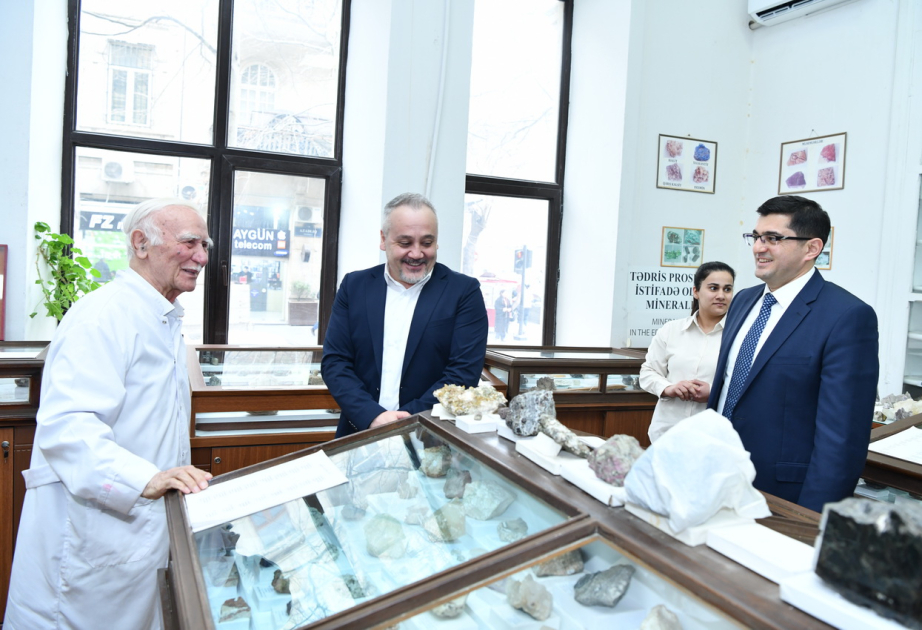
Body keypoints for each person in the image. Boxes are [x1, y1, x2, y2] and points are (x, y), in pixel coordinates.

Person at [5, 198, 214, 629]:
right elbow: (68, 427)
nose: (201, 257)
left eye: (205, 246)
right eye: (190, 242)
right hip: (95, 533)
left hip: (141, 529)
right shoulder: (102, 316)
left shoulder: (161, 317)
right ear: (141, 243)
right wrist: (145, 479)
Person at [707, 195, 878, 513]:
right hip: (715, 475)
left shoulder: (846, 316)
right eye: (756, 237)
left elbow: (842, 438)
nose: (758, 248)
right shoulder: (743, 301)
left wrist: (811, 520)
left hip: (782, 494)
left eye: (773, 238)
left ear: (811, 248)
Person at [322, 192, 489, 438]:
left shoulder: (464, 292)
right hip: (359, 432)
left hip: (431, 437)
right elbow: (335, 362)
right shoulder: (354, 286)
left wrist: (407, 420)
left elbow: (463, 373)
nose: (417, 253)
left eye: (427, 243)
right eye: (405, 243)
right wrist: (372, 416)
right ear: (383, 239)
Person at [640, 261, 735, 443]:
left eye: (727, 289)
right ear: (696, 291)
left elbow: (747, 385)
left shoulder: (739, 335)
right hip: (667, 433)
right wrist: (669, 388)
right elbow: (648, 372)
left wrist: (714, 391)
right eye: (713, 288)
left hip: (714, 438)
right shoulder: (671, 330)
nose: (721, 295)